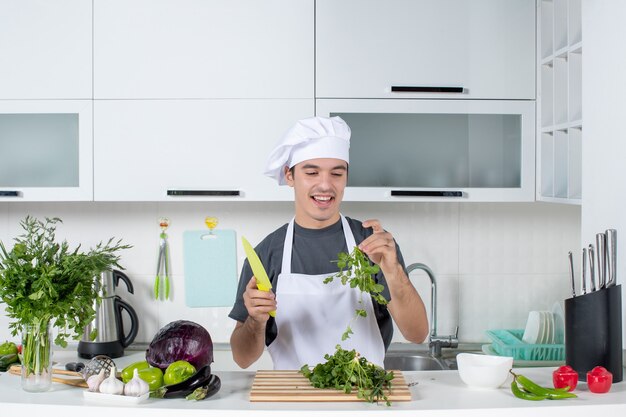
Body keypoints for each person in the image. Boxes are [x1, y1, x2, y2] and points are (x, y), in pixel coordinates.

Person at [229, 116, 428, 370]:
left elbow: (417, 334)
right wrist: (256, 322)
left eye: (336, 173)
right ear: (289, 176)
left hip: (364, 399)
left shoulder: (372, 243)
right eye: (311, 172)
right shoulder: (266, 254)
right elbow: (242, 358)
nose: (325, 185)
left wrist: (394, 272)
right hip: (294, 401)